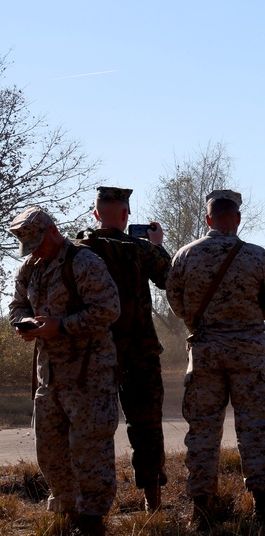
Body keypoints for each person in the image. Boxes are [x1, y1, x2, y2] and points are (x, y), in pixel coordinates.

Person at [166, 190, 265, 529]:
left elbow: (177, 304)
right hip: (249, 352)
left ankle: (201, 511)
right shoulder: (259, 257)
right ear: (237, 219)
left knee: (203, 431)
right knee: (257, 429)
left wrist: (204, 324)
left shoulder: (185, 256)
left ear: (208, 220)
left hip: (204, 353)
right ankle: (262, 509)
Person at [8, 207, 120, 536]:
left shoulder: (84, 264)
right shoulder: (30, 268)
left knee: (90, 450)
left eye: (38, 244)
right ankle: (67, 512)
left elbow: (108, 310)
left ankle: (92, 519)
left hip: (89, 375)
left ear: (53, 232)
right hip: (50, 376)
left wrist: (62, 326)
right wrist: (22, 324)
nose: (34, 253)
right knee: (50, 451)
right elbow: (16, 306)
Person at [76, 186, 171, 511]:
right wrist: (157, 246)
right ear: (126, 215)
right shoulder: (141, 249)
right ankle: (152, 503)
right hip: (140, 353)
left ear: (96, 214)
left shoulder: (79, 249)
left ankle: (89, 506)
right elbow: (170, 278)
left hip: (93, 354)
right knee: (146, 426)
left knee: (91, 428)